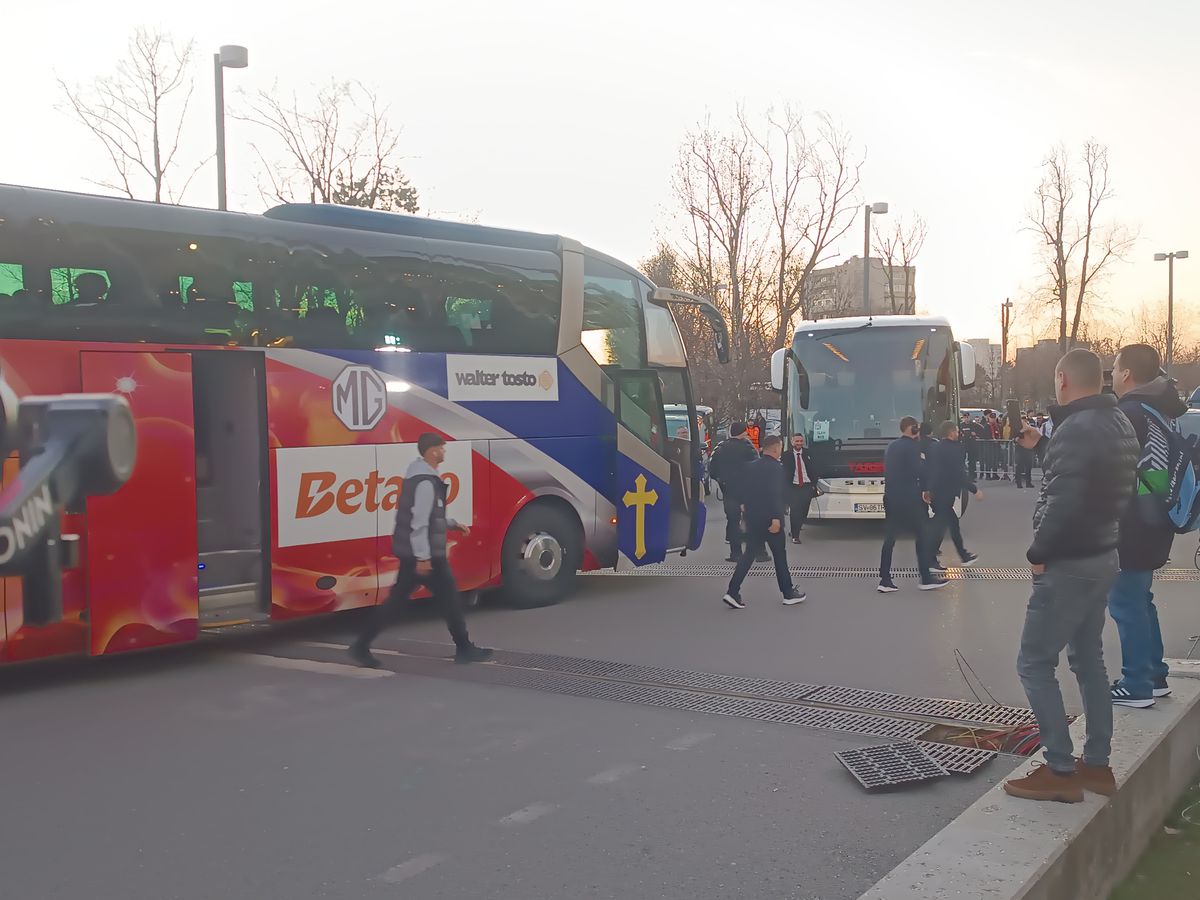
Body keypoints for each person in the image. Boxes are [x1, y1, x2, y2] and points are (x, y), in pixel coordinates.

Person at [1003, 349, 1138, 804]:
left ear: (1062, 379)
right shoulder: (1114, 422)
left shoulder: (1076, 430)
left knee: (1034, 662)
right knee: (1088, 660)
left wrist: (1039, 551)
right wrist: (1040, 446)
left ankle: (1060, 770)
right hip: (1103, 555)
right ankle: (1096, 765)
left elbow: (1064, 498)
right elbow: (1091, 480)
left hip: (1068, 562)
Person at [351, 432, 492, 667]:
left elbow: (429, 516)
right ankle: (464, 648)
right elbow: (419, 522)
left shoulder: (422, 477)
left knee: (401, 601)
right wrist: (423, 558)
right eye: (442, 448)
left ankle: (361, 645)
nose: (444, 451)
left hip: (418, 553)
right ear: (432, 451)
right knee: (448, 598)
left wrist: (452, 524)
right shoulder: (426, 482)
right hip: (425, 555)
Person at [1107, 344, 1187, 707]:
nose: (1110, 374)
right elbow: (1151, 473)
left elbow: (1107, 465)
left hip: (1134, 523)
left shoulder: (1130, 412)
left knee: (1125, 602)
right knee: (1140, 599)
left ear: (1126, 374)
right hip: (1156, 518)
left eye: (1114, 368)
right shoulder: (1157, 411)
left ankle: (1137, 682)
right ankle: (1153, 675)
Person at [722, 434, 806, 609]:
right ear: (776, 448)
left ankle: (732, 591)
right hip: (770, 520)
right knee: (780, 557)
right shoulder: (776, 469)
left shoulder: (750, 467)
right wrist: (776, 517)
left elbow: (740, 490)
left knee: (748, 555)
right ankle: (788, 592)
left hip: (753, 518)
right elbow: (775, 495)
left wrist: (744, 506)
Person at [878, 416, 946, 593]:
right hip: (908, 498)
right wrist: (927, 487)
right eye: (916, 428)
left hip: (891, 496)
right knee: (922, 535)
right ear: (911, 429)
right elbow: (919, 470)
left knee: (890, 539)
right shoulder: (912, 446)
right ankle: (925, 577)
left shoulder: (892, 446)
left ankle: (884, 579)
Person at [926, 419, 983, 567]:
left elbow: (929, 470)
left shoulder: (934, 447)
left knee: (947, 525)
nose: (958, 433)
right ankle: (958, 557)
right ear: (951, 433)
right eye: (957, 431)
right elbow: (958, 474)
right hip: (946, 494)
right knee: (947, 526)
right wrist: (974, 489)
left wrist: (926, 489)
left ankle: (939, 557)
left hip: (936, 493)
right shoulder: (956, 449)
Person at [709, 422, 759, 562]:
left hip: (729, 490)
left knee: (732, 521)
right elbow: (757, 467)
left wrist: (721, 480)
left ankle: (735, 553)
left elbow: (712, 470)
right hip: (748, 491)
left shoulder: (720, 448)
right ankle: (757, 551)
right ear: (743, 432)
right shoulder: (748, 448)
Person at [781, 433, 819, 544]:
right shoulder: (786, 455)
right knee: (795, 511)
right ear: (792, 442)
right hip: (793, 486)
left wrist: (813, 483)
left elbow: (815, 469)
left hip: (807, 486)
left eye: (801, 441)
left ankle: (796, 527)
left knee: (804, 511)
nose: (799, 443)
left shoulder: (809, 453)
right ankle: (795, 535)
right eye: (796, 441)